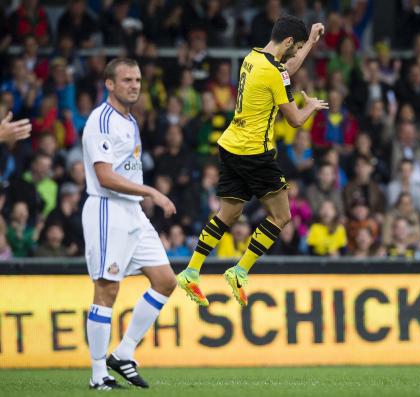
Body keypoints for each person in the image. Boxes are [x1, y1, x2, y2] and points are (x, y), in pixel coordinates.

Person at [177, 17, 327, 308]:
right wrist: (308, 107)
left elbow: (284, 72)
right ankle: (240, 270)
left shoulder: (253, 57)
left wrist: (309, 42)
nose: (295, 53)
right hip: (254, 153)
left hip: (231, 145)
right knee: (282, 216)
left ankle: (191, 270)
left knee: (228, 214)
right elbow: (294, 121)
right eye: (294, 47)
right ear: (286, 43)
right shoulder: (273, 71)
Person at [81, 58, 177, 390]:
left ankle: (123, 353)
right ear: (109, 84)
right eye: (126, 80)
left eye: (137, 79)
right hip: (107, 209)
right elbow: (105, 177)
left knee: (165, 281)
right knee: (107, 291)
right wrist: (151, 191)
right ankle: (97, 375)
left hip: (133, 212)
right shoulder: (101, 119)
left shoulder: (130, 120)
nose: (134, 85)